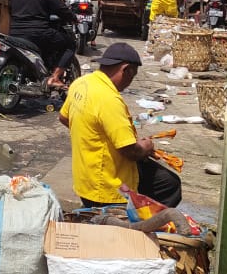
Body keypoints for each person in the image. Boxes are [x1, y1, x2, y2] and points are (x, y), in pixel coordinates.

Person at [60, 42, 182, 207]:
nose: (130, 82)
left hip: (85, 180)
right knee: (170, 185)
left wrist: (93, 136)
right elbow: (130, 151)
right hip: (107, 188)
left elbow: (64, 117)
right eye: (133, 75)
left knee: (164, 178)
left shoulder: (81, 83)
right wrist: (146, 146)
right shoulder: (109, 100)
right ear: (126, 70)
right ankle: (143, 223)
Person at [10, 0, 76, 89]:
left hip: (14, 32)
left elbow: (9, 9)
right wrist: (72, 18)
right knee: (70, 43)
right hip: (38, 33)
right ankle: (55, 77)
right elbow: (61, 9)